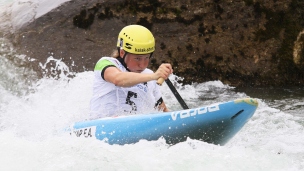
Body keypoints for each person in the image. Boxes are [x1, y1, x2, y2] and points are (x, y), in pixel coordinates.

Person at [90, 24, 173, 119]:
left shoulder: (149, 74)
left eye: (146, 58)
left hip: (135, 128)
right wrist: (155, 76)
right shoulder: (105, 63)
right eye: (137, 58)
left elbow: (164, 112)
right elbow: (118, 79)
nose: (142, 65)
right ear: (122, 53)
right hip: (102, 125)